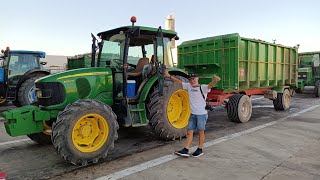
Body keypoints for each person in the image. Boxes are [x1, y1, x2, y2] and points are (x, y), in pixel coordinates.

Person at [164, 70, 221, 157]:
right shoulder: (188, 86)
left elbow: (210, 85)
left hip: (201, 115)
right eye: (190, 79)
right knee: (189, 132)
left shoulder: (203, 87)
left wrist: (215, 81)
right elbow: (179, 81)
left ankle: (200, 149)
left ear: (197, 78)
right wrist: (169, 76)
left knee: (201, 132)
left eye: (193, 79)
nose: (192, 81)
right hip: (193, 114)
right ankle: (186, 149)